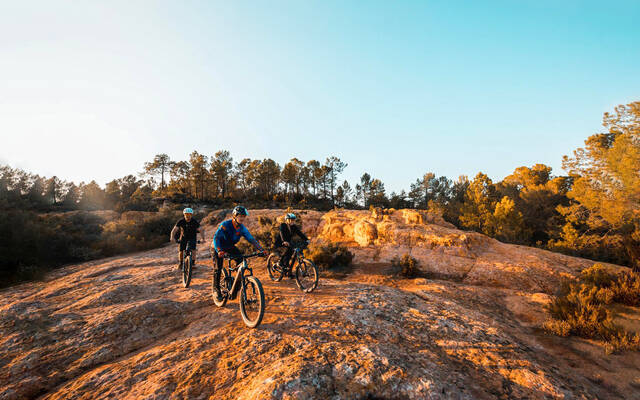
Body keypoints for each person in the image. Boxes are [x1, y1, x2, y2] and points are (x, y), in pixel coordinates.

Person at [211, 206, 267, 299]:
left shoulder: (242, 228)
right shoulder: (226, 224)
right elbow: (216, 238)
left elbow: (251, 239)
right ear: (234, 216)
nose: (242, 218)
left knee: (241, 260)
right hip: (217, 247)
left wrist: (262, 250)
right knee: (218, 267)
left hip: (230, 247)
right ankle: (216, 290)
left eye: (243, 216)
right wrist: (219, 250)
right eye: (240, 216)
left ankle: (235, 283)